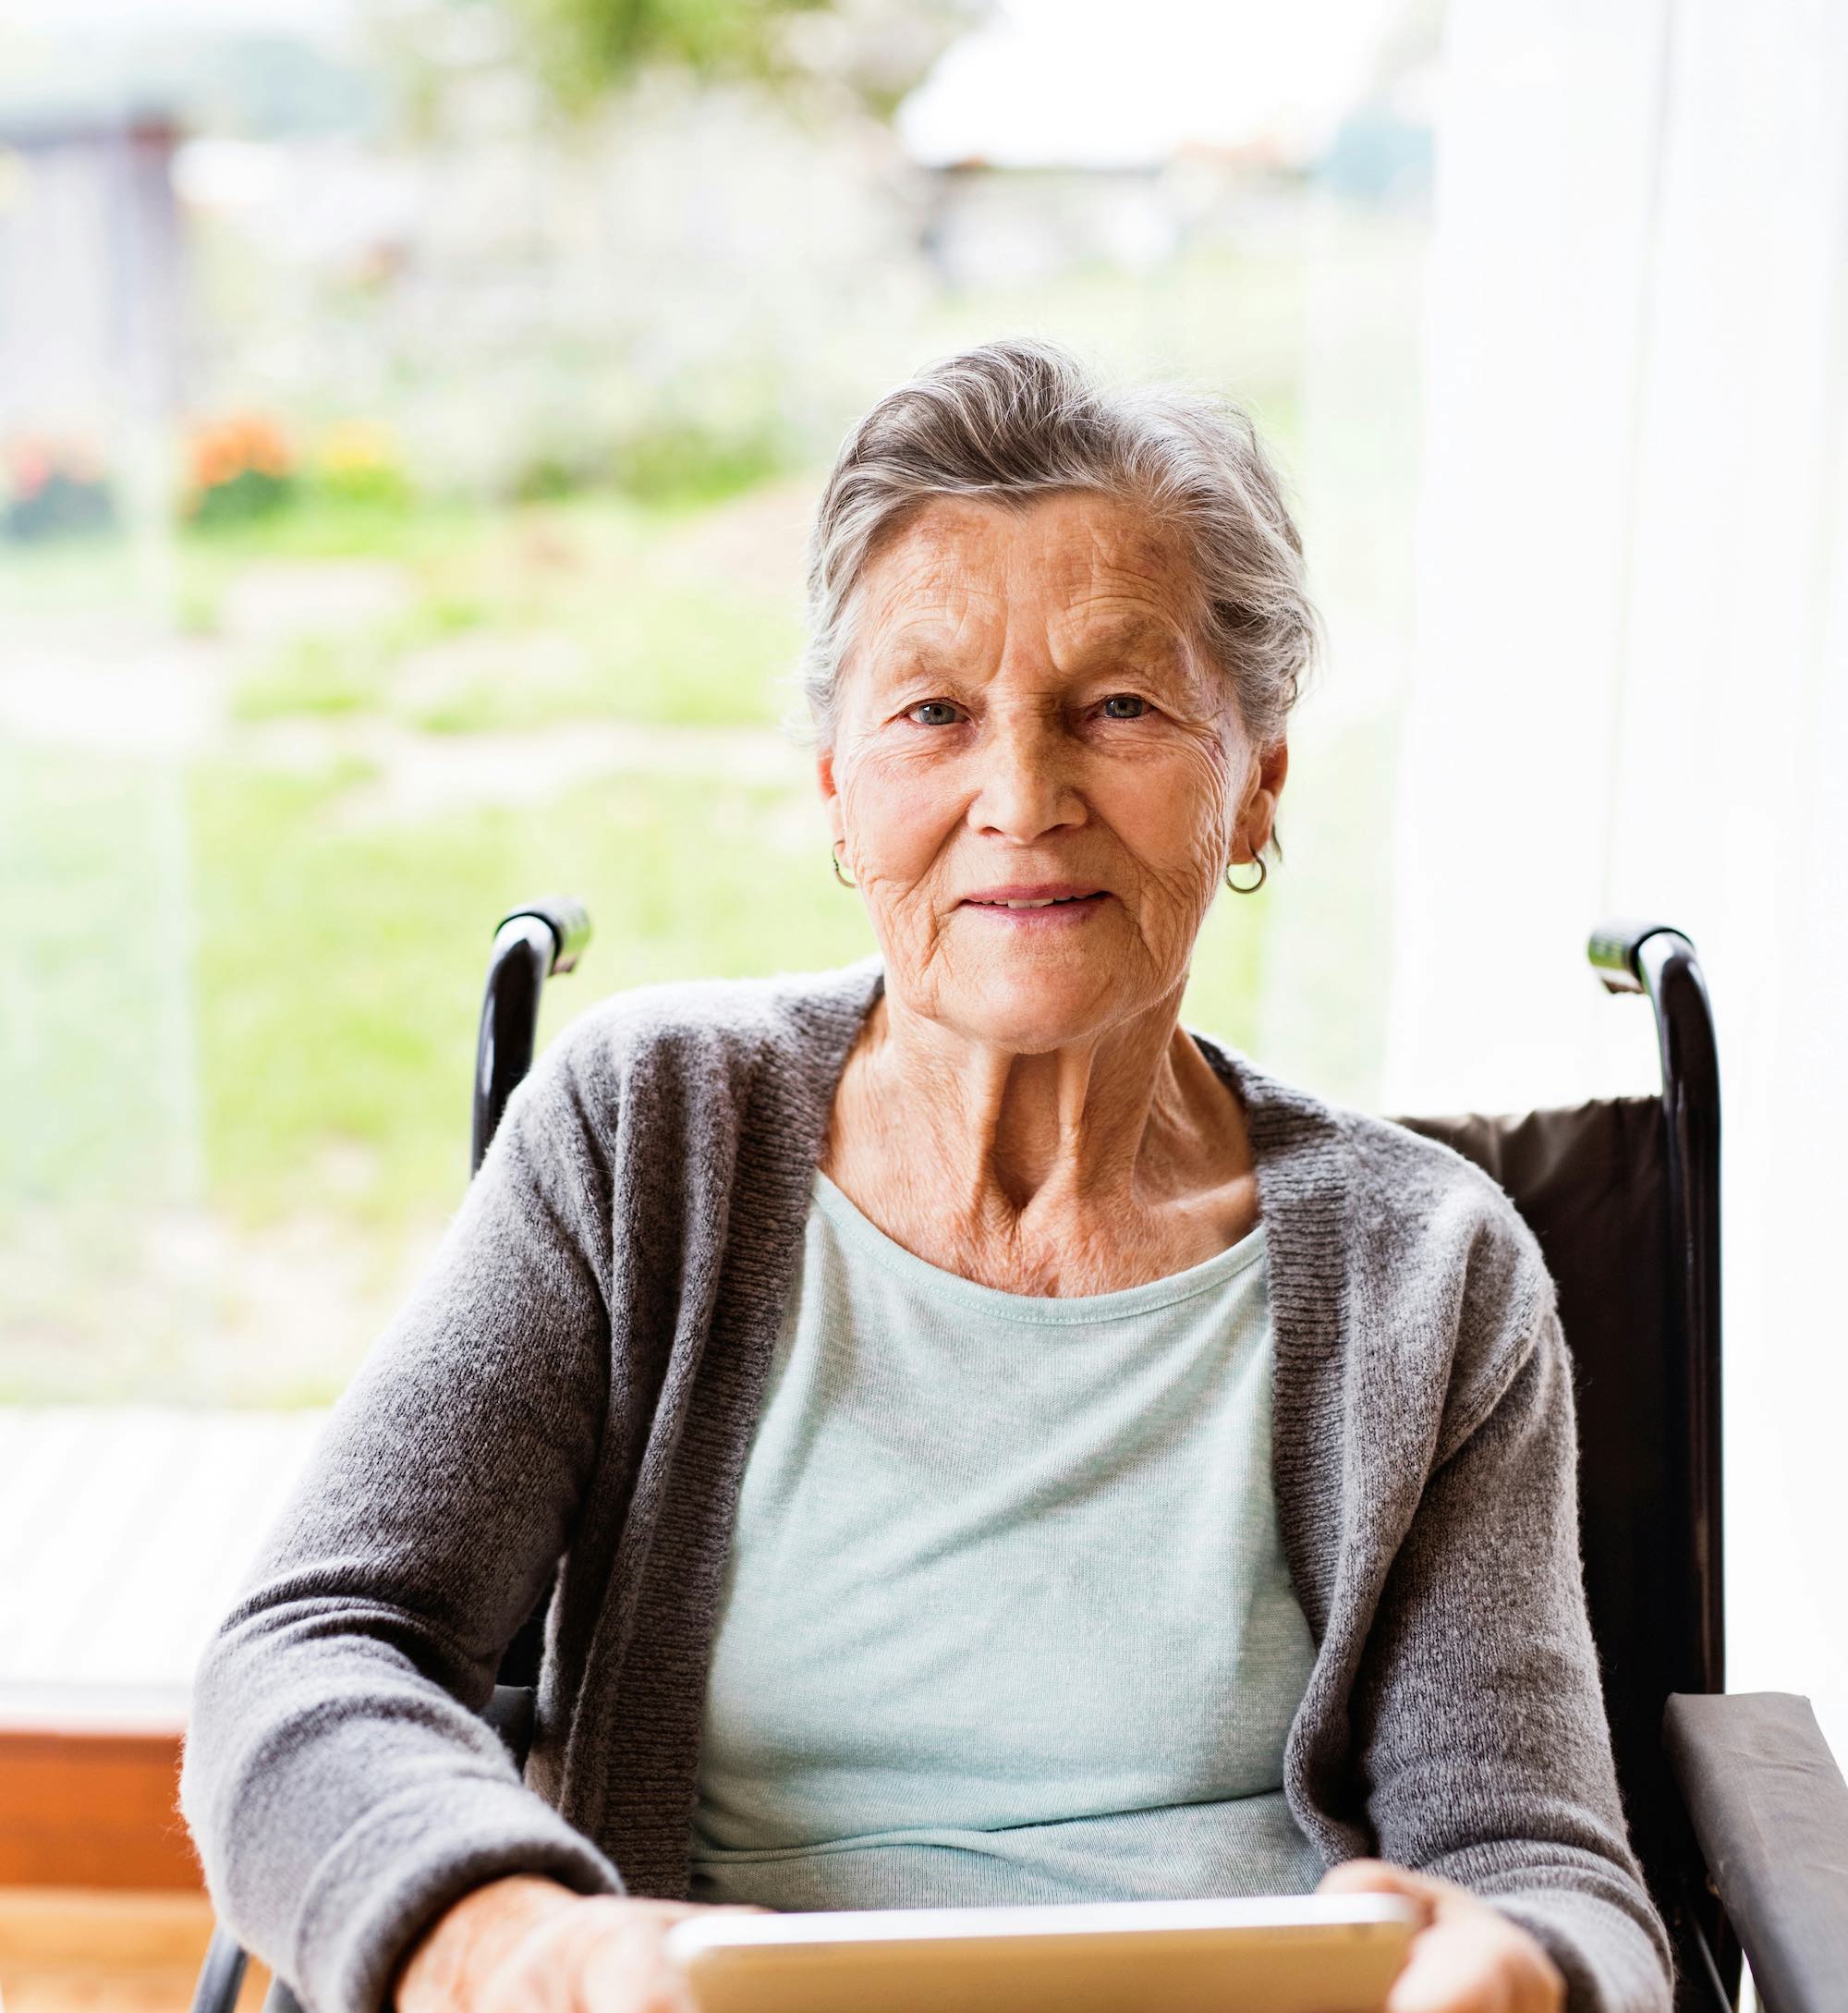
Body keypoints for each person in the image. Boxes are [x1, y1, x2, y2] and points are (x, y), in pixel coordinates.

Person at [180, 338, 1674, 2013]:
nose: (1021, 797)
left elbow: (1541, 1861)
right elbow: (311, 1650)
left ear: (1257, 777)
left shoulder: (1432, 1270)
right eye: (934, 713)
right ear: (839, 782)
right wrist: (510, 1933)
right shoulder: (644, 1133)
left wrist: (1525, 1971)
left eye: (1119, 706)